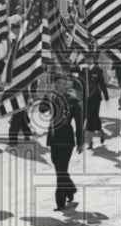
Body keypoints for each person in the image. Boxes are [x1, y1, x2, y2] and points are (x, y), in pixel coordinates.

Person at [39, 73, 84, 211]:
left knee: (61, 170)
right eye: (56, 83)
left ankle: (60, 201)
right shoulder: (51, 97)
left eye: (60, 83)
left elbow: (79, 122)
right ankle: (70, 189)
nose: (57, 86)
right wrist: (45, 96)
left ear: (66, 85)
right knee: (59, 167)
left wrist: (80, 141)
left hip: (67, 139)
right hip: (53, 138)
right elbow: (42, 109)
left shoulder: (73, 101)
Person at [81, 53, 110, 149]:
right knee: (92, 117)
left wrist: (106, 97)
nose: (88, 60)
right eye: (86, 58)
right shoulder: (83, 69)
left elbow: (102, 84)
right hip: (86, 97)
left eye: (90, 58)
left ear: (93, 59)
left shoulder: (97, 69)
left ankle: (90, 142)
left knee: (90, 118)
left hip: (95, 98)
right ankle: (101, 132)